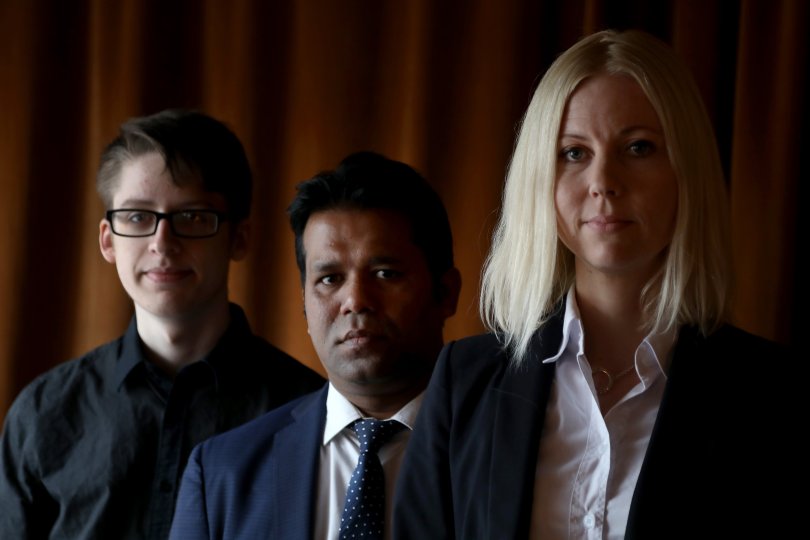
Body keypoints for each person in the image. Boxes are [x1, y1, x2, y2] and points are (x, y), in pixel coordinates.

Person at [393, 29, 800, 539]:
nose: (604, 180)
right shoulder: (464, 383)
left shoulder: (774, 395)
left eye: (638, 147)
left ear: (686, 170)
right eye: (573, 153)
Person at [0, 109, 325, 540]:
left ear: (239, 238)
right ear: (107, 240)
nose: (162, 244)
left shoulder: (309, 411)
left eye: (192, 217)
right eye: (137, 217)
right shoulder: (42, 413)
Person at [168, 151, 461, 539]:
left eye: (385, 273)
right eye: (329, 279)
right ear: (304, 304)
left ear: (445, 293)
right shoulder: (221, 472)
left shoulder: (507, 449)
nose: (355, 299)